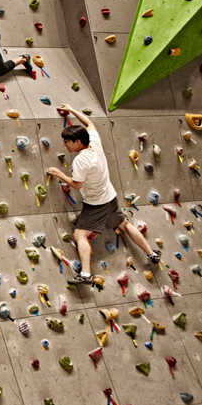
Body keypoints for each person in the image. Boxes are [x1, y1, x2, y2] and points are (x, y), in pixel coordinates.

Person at [46, 104, 161, 285]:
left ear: (77, 142)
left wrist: (60, 175)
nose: (65, 145)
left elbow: (77, 185)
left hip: (96, 203)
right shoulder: (95, 144)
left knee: (79, 235)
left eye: (66, 142)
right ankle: (152, 254)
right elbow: (90, 124)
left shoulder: (81, 160)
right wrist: (73, 110)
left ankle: (85, 274)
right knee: (124, 224)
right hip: (110, 196)